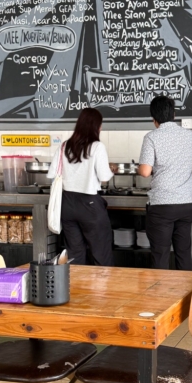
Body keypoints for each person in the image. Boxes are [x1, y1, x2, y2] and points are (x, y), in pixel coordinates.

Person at [137, 95, 192, 270]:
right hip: (185, 205)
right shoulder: (188, 135)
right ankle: (186, 295)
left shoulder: (151, 137)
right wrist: (191, 153)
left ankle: (161, 297)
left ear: (154, 119)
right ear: (174, 114)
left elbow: (145, 172)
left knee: (160, 254)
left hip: (162, 206)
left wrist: (141, 167)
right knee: (183, 253)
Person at [48, 107, 116, 265]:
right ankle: (102, 289)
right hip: (89, 205)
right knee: (101, 254)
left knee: (75, 255)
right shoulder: (97, 147)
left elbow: (53, 174)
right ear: (95, 127)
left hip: (67, 205)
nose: (101, 128)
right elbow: (104, 177)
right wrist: (111, 169)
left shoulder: (65, 146)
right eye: (100, 125)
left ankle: (77, 289)